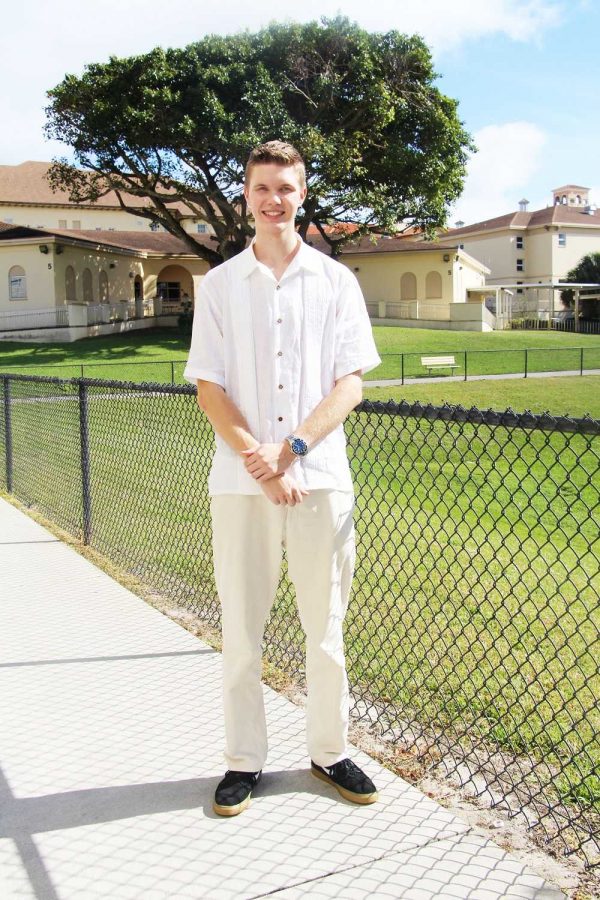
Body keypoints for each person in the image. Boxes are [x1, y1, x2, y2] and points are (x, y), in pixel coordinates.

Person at [184, 140, 381, 817]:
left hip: (320, 478)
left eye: (287, 188)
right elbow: (209, 387)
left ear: (303, 195)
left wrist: (290, 450)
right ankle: (243, 759)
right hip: (240, 486)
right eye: (263, 187)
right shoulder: (218, 286)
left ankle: (329, 751)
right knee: (241, 628)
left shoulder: (336, 282)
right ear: (246, 195)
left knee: (324, 628)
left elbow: (349, 384)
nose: (275, 199)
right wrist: (259, 462)